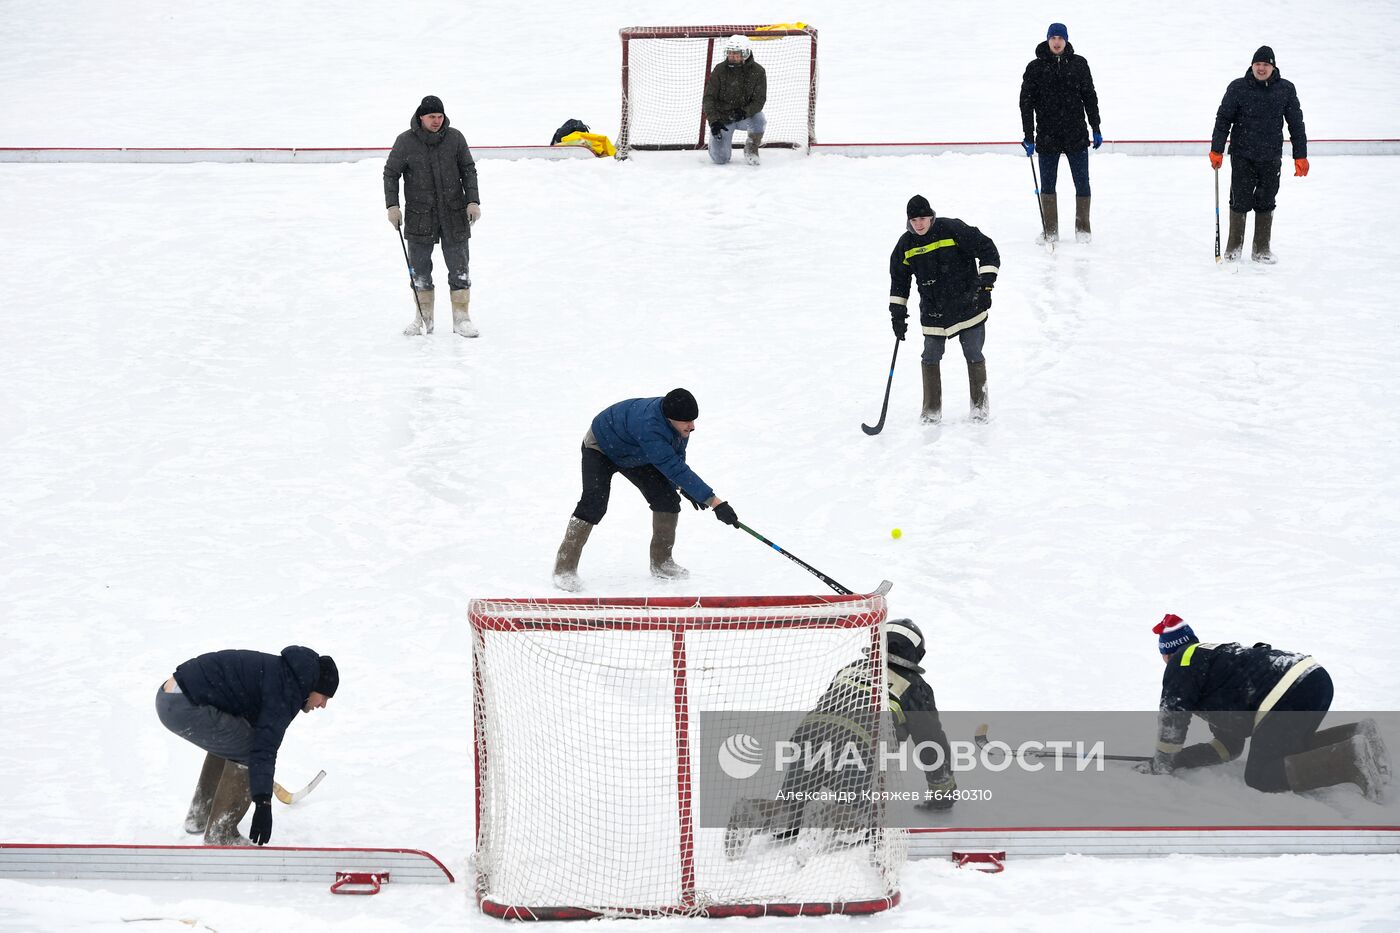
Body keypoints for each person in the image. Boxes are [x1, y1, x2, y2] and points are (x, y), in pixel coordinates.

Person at [724, 619, 956, 858]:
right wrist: (943, 791)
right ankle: (829, 817)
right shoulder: (915, 686)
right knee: (863, 818)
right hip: (859, 747)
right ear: (919, 655)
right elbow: (932, 743)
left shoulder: (852, 667)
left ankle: (751, 812)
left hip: (808, 738)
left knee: (789, 813)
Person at [1138, 614, 1388, 799]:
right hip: (1314, 679)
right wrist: (1180, 759)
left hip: (1288, 691)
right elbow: (1228, 747)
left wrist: (1163, 761)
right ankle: (1356, 734)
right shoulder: (1215, 669)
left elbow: (1172, 716)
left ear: (1167, 653)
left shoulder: (1183, 661)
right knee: (1284, 751)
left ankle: (1350, 758)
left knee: (1261, 776)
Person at [552, 389, 738, 590]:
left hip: (636, 452)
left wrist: (683, 487)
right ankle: (564, 569)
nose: (692, 426)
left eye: (693, 420)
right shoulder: (650, 426)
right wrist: (715, 502)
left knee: (667, 499)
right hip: (601, 447)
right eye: (687, 421)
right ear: (669, 418)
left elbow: (676, 458)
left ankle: (662, 562)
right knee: (594, 503)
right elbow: (671, 464)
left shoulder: (680, 427)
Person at [156, 646, 338, 845]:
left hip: (171, 697)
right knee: (248, 748)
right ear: (314, 687)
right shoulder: (286, 690)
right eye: (324, 697)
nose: (323, 705)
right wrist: (263, 802)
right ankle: (221, 834)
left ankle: (199, 816)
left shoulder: (284, 674)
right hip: (181, 705)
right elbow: (262, 749)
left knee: (235, 739)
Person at [888, 195, 1001, 424]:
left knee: (973, 353)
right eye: (914, 219)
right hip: (933, 311)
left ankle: (979, 407)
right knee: (930, 355)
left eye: (923, 218)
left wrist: (986, 286)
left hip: (968, 306)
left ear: (931, 217)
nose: (919, 224)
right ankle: (931, 411)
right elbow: (899, 281)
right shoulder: (905, 245)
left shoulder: (952, 229)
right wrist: (897, 314)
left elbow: (987, 248)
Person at [384, 95, 482, 337]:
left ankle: (462, 319)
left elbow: (468, 171)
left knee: (459, 268)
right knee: (419, 270)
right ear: (421, 117)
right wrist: (392, 206)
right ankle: (422, 318)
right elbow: (390, 173)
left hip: (454, 214)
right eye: (432, 117)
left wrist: (472, 201)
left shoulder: (455, 138)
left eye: (440, 116)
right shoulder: (405, 142)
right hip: (420, 216)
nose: (437, 121)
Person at [1210, 46, 1308, 263]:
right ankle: (1233, 248)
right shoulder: (1237, 88)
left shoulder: (1286, 90)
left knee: (1266, 199)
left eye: (1265, 64)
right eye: (1258, 64)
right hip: (1243, 154)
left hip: (1271, 156)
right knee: (1240, 200)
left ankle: (1261, 249)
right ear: (1252, 65)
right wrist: (1217, 149)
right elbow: (1223, 119)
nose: (1261, 68)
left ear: (1273, 66)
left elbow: (1296, 124)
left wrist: (1300, 155)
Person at [1019, 23, 1102, 244]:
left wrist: (1096, 127)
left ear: (1066, 40)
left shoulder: (1079, 64)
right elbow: (1025, 104)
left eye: (1060, 38)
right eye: (1053, 37)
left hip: (1075, 133)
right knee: (1047, 185)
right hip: (1047, 135)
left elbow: (1090, 97)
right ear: (1048, 40)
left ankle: (1083, 229)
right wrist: (1029, 136)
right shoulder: (1035, 68)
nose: (1057, 42)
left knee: (1082, 182)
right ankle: (1051, 230)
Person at [702, 35, 767, 166]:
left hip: (744, 116)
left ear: (746, 53)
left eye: (736, 53)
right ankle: (715, 144)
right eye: (730, 53)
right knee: (720, 159)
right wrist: (714, 122)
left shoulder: (758, 71)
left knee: (759, 119)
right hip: (723, 119)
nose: (732, 56)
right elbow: (709, 98)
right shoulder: (720, 70)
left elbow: (759, 100)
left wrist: (744, 112)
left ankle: (751, 148)